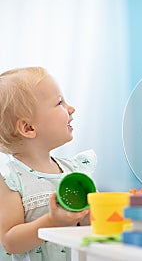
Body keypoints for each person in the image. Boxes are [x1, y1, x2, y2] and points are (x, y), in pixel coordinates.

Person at [0, 67, 97, 261]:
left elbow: (87, 229)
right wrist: (52, 221)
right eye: (59, 102)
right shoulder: (11, 179)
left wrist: (90, 214)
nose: (71, 108)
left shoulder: (74, 171)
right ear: (28, 127)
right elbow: (10, 242)